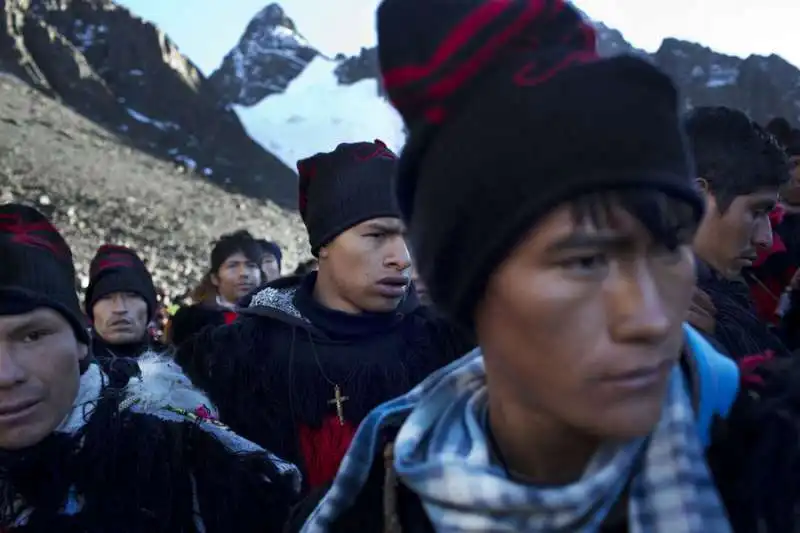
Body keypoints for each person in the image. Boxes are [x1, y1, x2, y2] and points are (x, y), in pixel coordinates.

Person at [293, 1, 800, 531]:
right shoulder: (369, 507)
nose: (651, 318)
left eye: (668, 248)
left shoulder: (769, 466)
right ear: (468, 290)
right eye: (583, 261)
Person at [176, 140, 471, 494]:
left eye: (408, 236)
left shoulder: (449, 349)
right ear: (325, 243)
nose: (401, 258)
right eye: (377, 235)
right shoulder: (233, 357)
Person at [0, 203, 299, 532]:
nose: (6, 374)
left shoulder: (179, 445)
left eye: (33, 335)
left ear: (79, 341)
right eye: (108, 298)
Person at [686, 107, 792, 359]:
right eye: (756, 211)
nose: (765, 239)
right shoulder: (661, 316)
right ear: (697, 197)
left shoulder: (726, 296)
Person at [168, 230, 262, 346]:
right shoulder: (190, 320)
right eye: (233, 265)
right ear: (215, 278)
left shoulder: (274, 320)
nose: (244, 273)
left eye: (251, 265)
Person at [84, 245, 160, 386]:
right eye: (106, 297)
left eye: (132, 296)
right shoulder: (69, 376)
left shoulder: (184, 372)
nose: (120, 309)